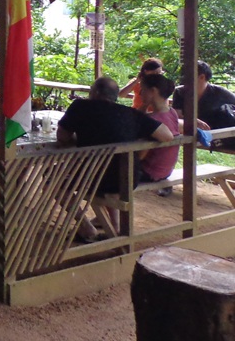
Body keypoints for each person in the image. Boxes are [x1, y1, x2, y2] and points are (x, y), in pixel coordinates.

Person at [56, 76, 173, 240]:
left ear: (95, 92)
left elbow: (62, 137)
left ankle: (86, 227)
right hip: (126, 180)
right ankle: (114, 227)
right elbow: (167, 135)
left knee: (53, 180)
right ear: (115, 96)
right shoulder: (130, 114)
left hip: (92, 178)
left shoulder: (80, 106)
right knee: (109, 167)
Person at [172, 61, 235, 146]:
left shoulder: (219, 92)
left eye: (188, 76)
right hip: (191, 132)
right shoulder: (180, 92)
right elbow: (176, 115)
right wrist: (193, 120)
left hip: (218, 134)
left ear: (202, 77)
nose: (184, 79)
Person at [137, 74, 180, 190]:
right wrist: (145, 104)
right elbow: (138, 117)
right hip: (166, 171)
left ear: (153, 91)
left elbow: (140, 156)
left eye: (143, 89)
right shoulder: (171, 112)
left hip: (150, 173)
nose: (140, 93)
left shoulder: (153, 121)